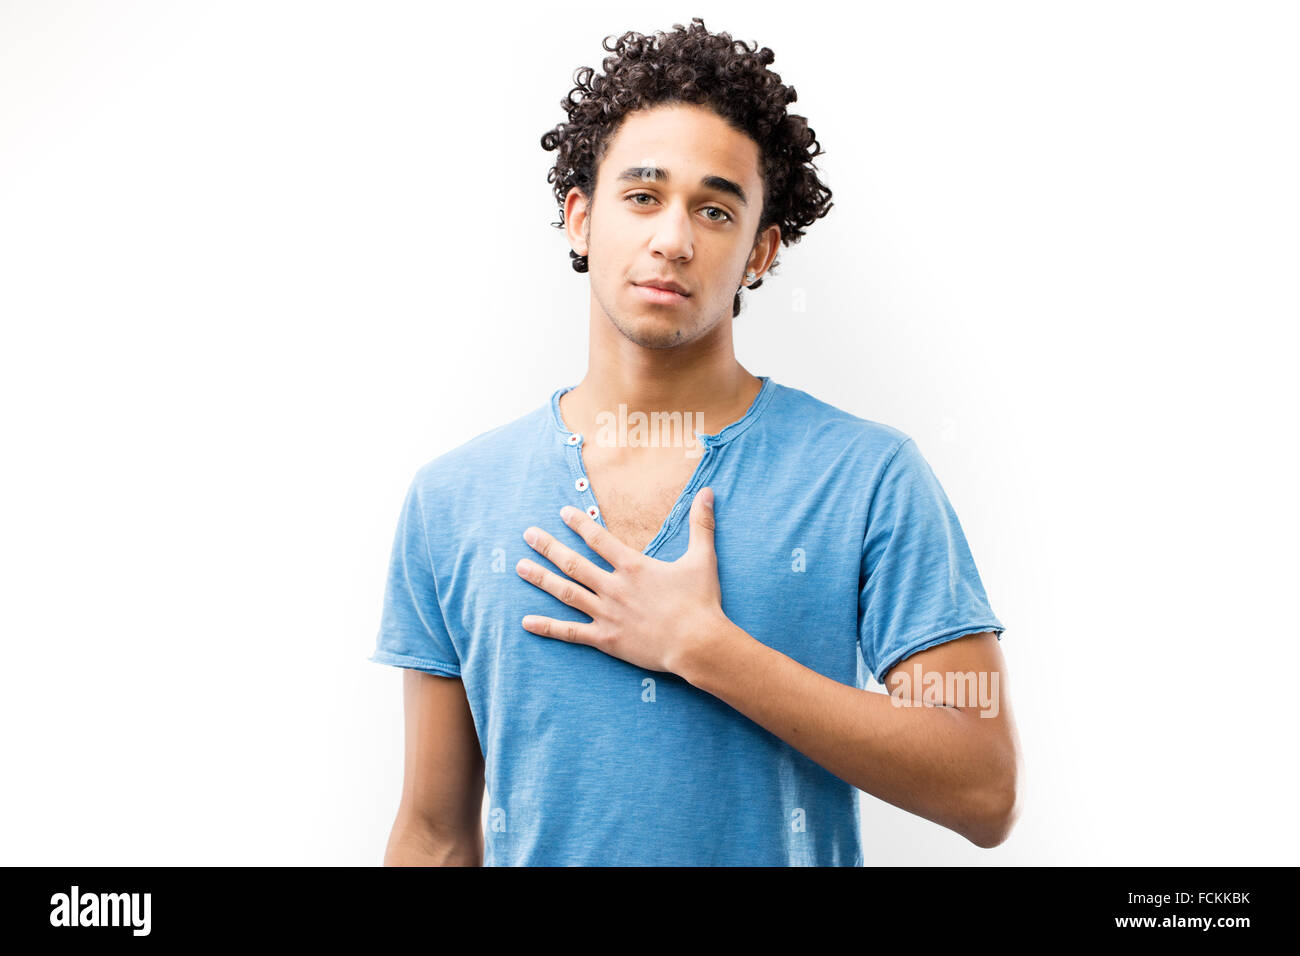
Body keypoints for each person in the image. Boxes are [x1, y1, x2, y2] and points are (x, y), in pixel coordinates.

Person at [369, 18, 1022, 866]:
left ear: (760, 252)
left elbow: (984, 787)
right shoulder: (452, 500)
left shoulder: (867, 477)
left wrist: (707, 650)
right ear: (579, 218)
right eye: (642, 196)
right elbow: (434, 833)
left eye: (714, 210)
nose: (672, 239)